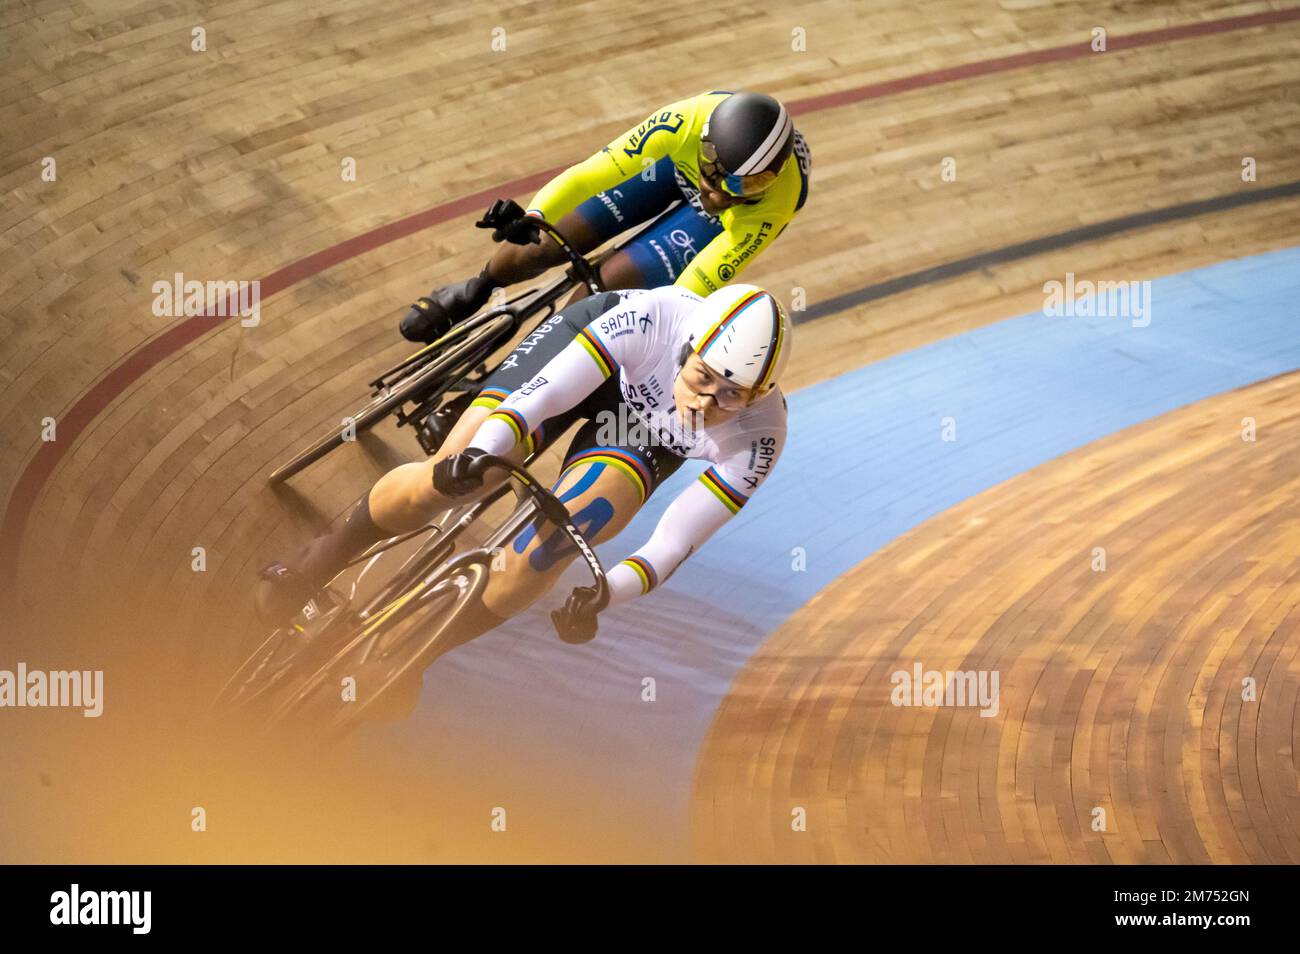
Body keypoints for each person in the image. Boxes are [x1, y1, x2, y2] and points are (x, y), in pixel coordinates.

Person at [257, 283, 792, 671]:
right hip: (592, 360)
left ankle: (410, 658)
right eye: (702, 377)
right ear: (687, 347)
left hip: (640, 435)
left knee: (559, 540)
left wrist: (606, 595)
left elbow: (674, 543)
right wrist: (481, 454)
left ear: (757, 397)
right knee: (458, 469)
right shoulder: (652, 319)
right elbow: (547, 396)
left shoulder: (760, 437)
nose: (705, 403)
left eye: (731, 396)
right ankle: (314, 565)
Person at [398, 90, 811, 343]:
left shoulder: (777, 203)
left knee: (609, 288)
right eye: (714, 171)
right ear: (704, 140)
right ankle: (477, 287)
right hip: (669, 167)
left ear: (768, 183)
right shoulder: (685, 121)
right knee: (545, 240)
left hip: (727, 225)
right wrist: (536, 213)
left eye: (743, 186)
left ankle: (529, 366)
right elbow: (591, 173)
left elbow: (694, 285)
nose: (715, 192)